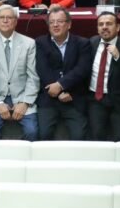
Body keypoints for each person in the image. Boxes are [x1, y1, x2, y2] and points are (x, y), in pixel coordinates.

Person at [35, 7, 93, 140]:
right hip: (49, 98)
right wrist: (58, 91)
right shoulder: (40, 43)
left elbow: (82, 69)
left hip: (73, 97)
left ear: (69, 24)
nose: (55, 25)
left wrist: (61, 85)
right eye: (52, 22)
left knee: (79, 136)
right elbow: (43, 69)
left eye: (60, 21)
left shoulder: (82, 43)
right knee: (43, 135)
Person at [0, 5, 39, 141]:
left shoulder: (29, 43)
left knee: (32, 131)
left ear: (16, 21)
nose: (5, 21)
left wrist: (25, 102)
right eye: (1, 18)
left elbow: (33, 77)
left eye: (9, 18)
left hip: (22, 96)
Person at [86, 12, 120, 142]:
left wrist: (118, 58)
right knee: (96, 135)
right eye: (101, 24)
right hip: (96, 98)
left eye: (109, 24)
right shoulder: (91, 44)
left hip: (118, 101)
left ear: (118, 27)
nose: (104, 27)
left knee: (119, 137)